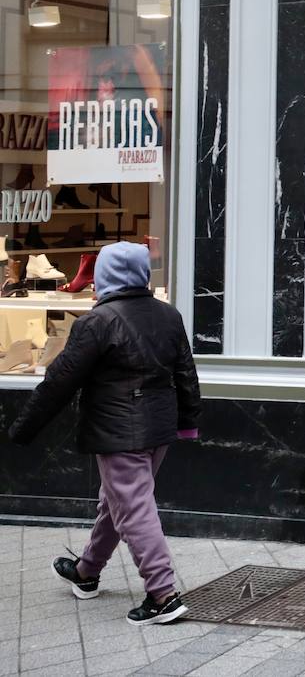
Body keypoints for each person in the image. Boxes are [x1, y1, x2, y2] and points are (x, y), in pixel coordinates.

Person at [7, 241, 200, 627]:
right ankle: (86, 571)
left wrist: (22, 429)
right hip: (158, 429)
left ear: (104, 275)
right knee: (118, 501)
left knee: (134, 509)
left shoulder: (97, 322)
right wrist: (187, 422)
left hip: (119, 431)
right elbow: (186, 374)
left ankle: (163, 595)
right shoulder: (168, 315)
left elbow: (59, 381)